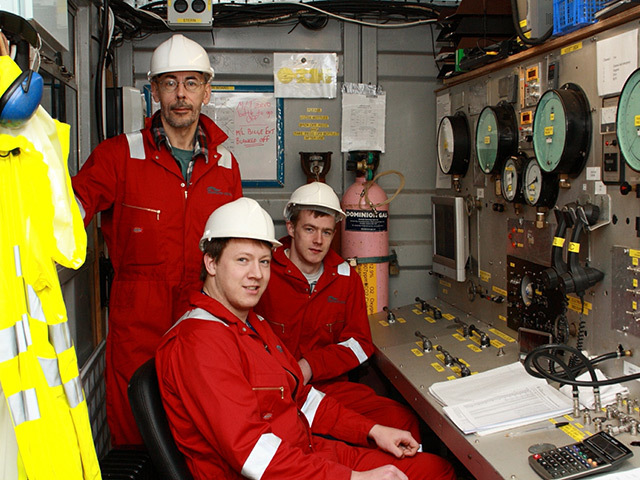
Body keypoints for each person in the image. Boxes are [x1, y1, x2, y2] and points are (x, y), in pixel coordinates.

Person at [155, 197, 455, 479]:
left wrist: (373, 430)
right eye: (242, 260)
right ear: (211, 263)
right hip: (276, 471)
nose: (256, 274)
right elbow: (253, 456)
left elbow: (303, 398)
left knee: (434, 469)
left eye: (263, 262)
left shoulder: (251, 324)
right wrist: (353, 477)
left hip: (306, 452)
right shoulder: (200, 342)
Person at [72, 34, 242, 446]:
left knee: (203, 419)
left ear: (206, 90)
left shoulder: (225, 165)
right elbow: (67, 211)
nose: (180, 95)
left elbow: (237, 248)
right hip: (137, 318)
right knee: (137, 423)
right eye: (169, 83)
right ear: (154, 91)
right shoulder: (118, 156)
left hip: (203, 314)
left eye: (190, 83)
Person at [254, 182, 422, 442]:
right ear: (291, 228)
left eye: (327, 232)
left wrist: (311, 365)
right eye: (309, 229)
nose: (318, 241)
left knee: (402, 421)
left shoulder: (346, 278)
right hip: (275, 389)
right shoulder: (264, 272)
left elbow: (360, 343)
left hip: (330, 386)